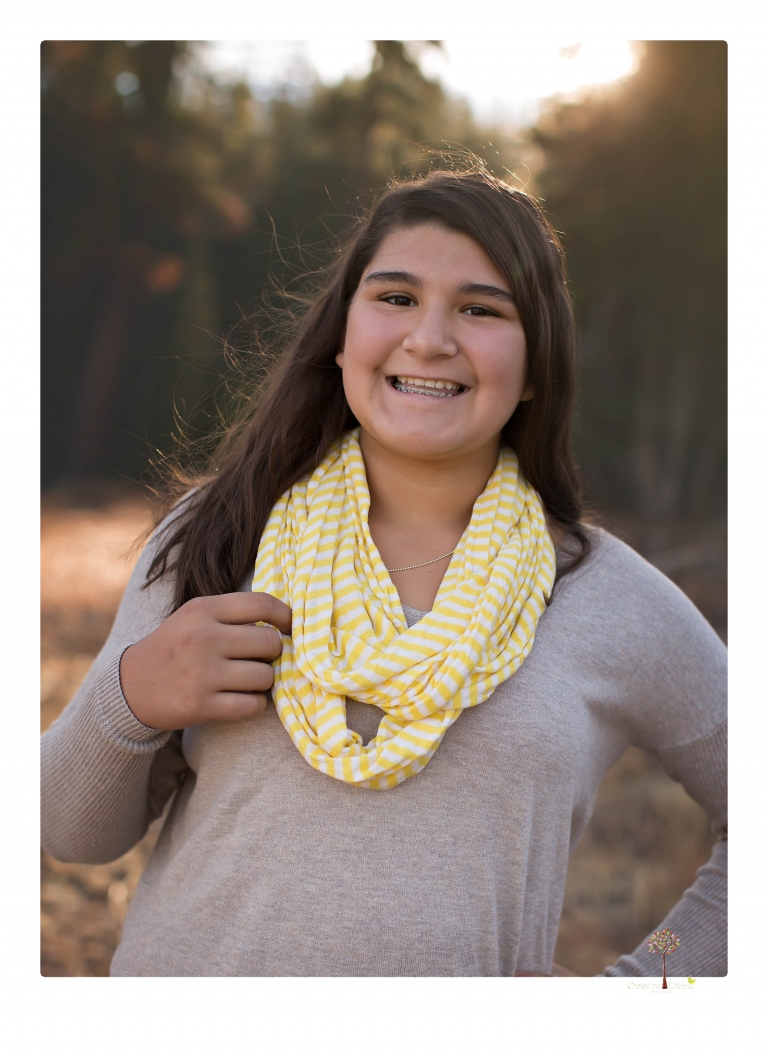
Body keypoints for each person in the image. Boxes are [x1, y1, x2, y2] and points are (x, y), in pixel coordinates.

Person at [40, 165, 726, 977]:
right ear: (342, 336)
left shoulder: (608, 595)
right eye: (395, 298)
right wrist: (132, 694)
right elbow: (67, 832)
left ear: (538, 365)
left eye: (481, 308)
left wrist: (651, 988)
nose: (429, 338)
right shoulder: (218, 535)